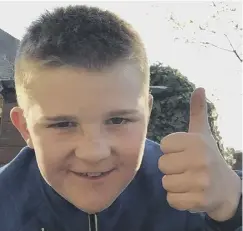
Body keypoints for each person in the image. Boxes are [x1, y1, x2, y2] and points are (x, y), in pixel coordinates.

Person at [0, 5, 242, 231]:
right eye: (63, 124)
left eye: (118, 121)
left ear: (147, 113)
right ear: (26, 128)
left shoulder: (194, 195)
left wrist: (233, 207)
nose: (94, 153)